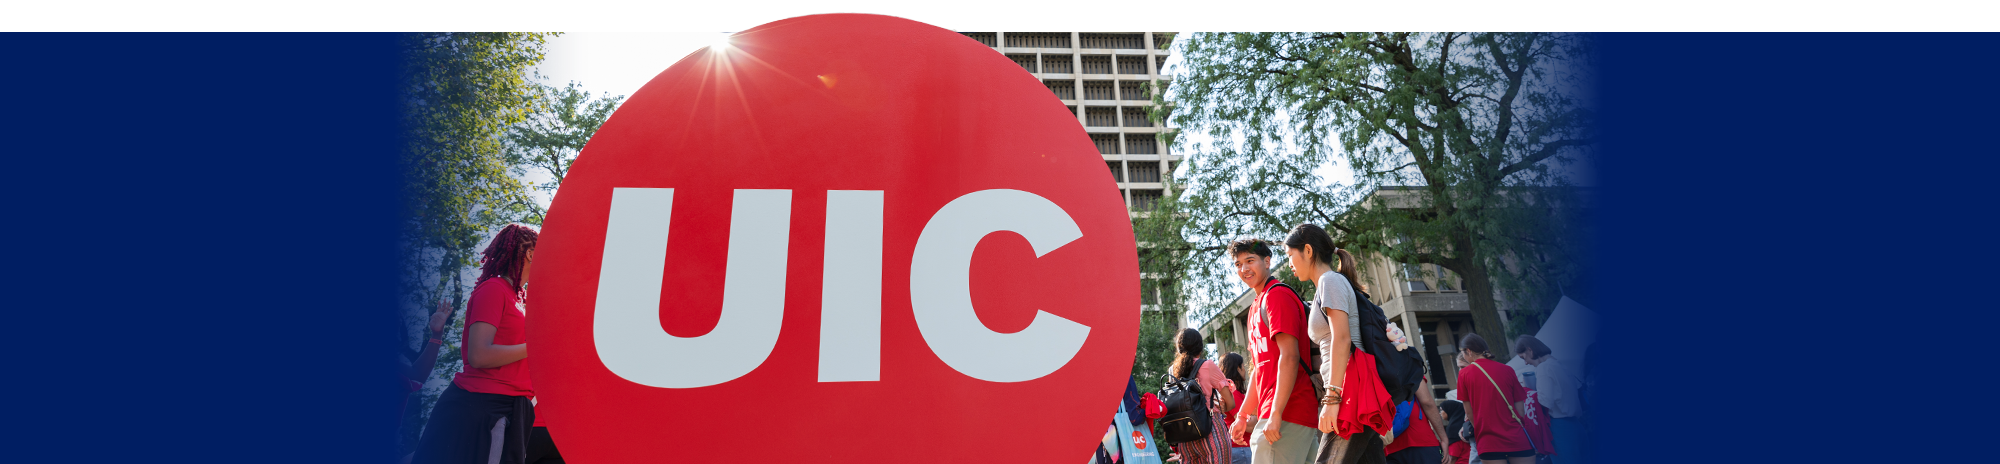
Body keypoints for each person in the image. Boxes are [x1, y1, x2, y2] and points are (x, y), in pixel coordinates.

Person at [414, 224, 540, 464]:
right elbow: (479, 355)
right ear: (531, 253)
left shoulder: (519, 299)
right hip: (482, 408)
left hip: (510, 407)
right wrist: (536, 346)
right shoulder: (494, 289)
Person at [1280, 223, 1387, 464]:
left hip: (1348, 392)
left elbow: (1342, 338)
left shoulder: (1330, 281)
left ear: (1307, 250)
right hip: (1349, 390)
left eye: (1290, 256)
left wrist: (1332, 399)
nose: (1289, 264)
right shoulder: (1325, 286)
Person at [1224, 238, 1318, 464]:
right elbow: (1259, 370)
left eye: (1250, 261)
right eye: (1238, 264)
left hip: (1286, 412)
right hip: (1283, 415)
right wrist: (1243, 415)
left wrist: (1275, 414)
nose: (1244, 269)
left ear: (1267, 261)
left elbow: (1290, 355)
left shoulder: (1276, 296)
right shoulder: (1256, 306)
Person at [1453, 334, 1535, 464]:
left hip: (1488, 438)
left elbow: (1469, 412)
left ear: (1468, 351)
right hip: (1515, 435)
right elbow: (1520, 407)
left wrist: (1479, 430)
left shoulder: (1464, 374)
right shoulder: (1507, 370)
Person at [1169, 329, 1235, 464]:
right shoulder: (1207, 365)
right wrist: (1221, 405)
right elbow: (1231, 403)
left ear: (1179, 348)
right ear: (1200, 347)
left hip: (1186, 438)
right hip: (1211, 431)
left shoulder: (1172, 371)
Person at [1514, 335, 1584, 464]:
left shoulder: (1543, 368)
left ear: (1530, 350)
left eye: (1523, 357)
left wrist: (1529, 391)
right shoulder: (1559, 364)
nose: (1526, 363)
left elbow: (1545, 401)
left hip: (1560, 427)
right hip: (1576, 424)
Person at [1379, 377, 1447, 464]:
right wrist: (1444, 438)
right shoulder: (1409, 366)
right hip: (1420, 438)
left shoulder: (1374, 369)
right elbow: (1427, 402)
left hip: (1388, 442)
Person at [1220, 353, 1253, 464]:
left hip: (1241, 449)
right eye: (1243, 366)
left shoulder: (1234, 393)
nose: (1245, 369)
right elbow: (1247, 425)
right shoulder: (1234, 394)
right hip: (1242, 449)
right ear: (1238, 368)